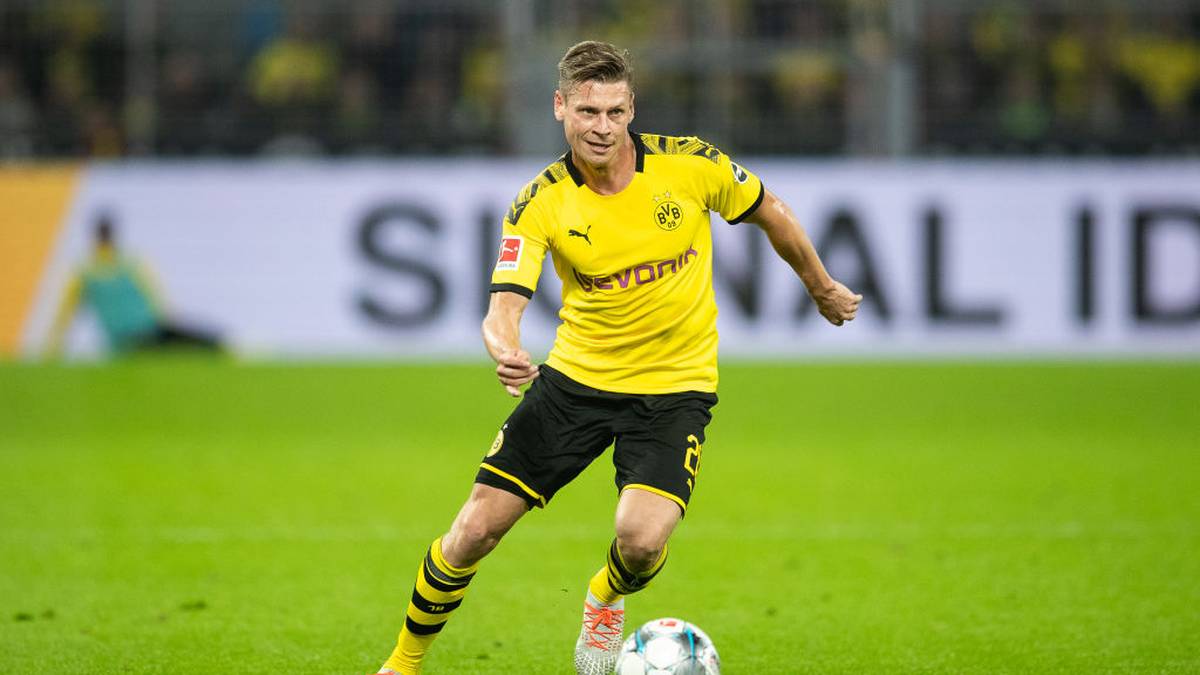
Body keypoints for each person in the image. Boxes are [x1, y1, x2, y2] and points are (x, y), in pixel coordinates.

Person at [375, 40, 861, 675]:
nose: (601, 127)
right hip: (575, 382)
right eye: (586, 112)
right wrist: (506, 350)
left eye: (613, 111)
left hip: (674, 388)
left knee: (639, 541)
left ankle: (603, 599)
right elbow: (503, 306)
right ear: (560, 108)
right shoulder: (541, 200)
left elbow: (773, 212)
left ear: (632, 108)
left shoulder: (690, 165)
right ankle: (402, 665)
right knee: (472, 532)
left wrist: (820, 285)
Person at [46, 213, 223, 356]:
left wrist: (53, 348)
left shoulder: (84, 271)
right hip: (147, 333)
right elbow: (156, 299)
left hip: (122, 342)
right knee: (209, 344)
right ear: (114, 235)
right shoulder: (130, 264)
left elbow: (65, 314)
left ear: (94, 236)